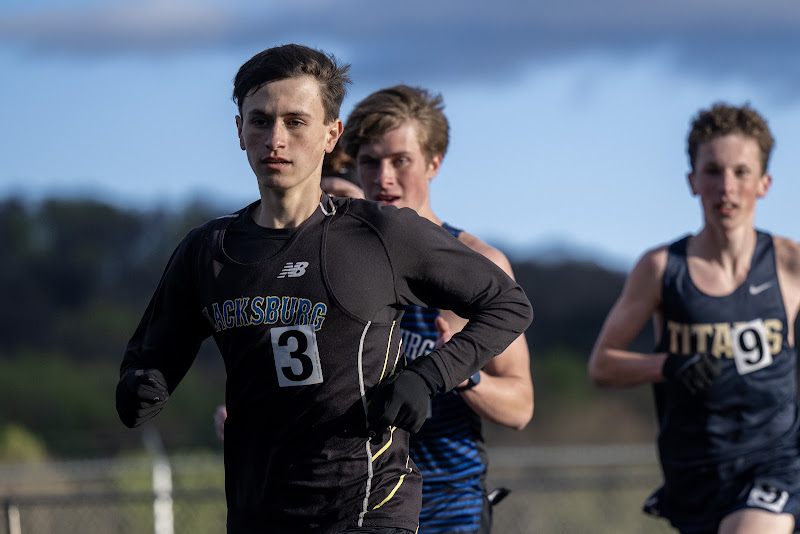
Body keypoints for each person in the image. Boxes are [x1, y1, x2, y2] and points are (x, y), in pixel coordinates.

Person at [115, 44, 533, 534]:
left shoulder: (381, 233)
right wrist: (142, 384)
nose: (276, 138)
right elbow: (149, 359)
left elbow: (508, 303)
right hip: (258, 510)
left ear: (331, 134)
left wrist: (429, 375)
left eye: (295, 121)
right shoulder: (206, 250)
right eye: (260, 120)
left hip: (372, 510)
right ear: (238, 131)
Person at [587, 103, 800, 534]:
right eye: (713, 171)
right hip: (694, 472)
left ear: (764, 183)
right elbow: (602, 365)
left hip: (774, 462)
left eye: (742, 172)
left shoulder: (788, 262)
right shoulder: (663, 268)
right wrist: (667, 365)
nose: (727, 187)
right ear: (691, 181)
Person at [340, 85, 534, 534]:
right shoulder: (335, 261)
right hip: (355, 499)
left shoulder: (475, 266)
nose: (384, 177)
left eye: (399, 161)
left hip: (447, 500)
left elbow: (521, 406)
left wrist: (465, 377)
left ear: (433, 162)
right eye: (370, 162)